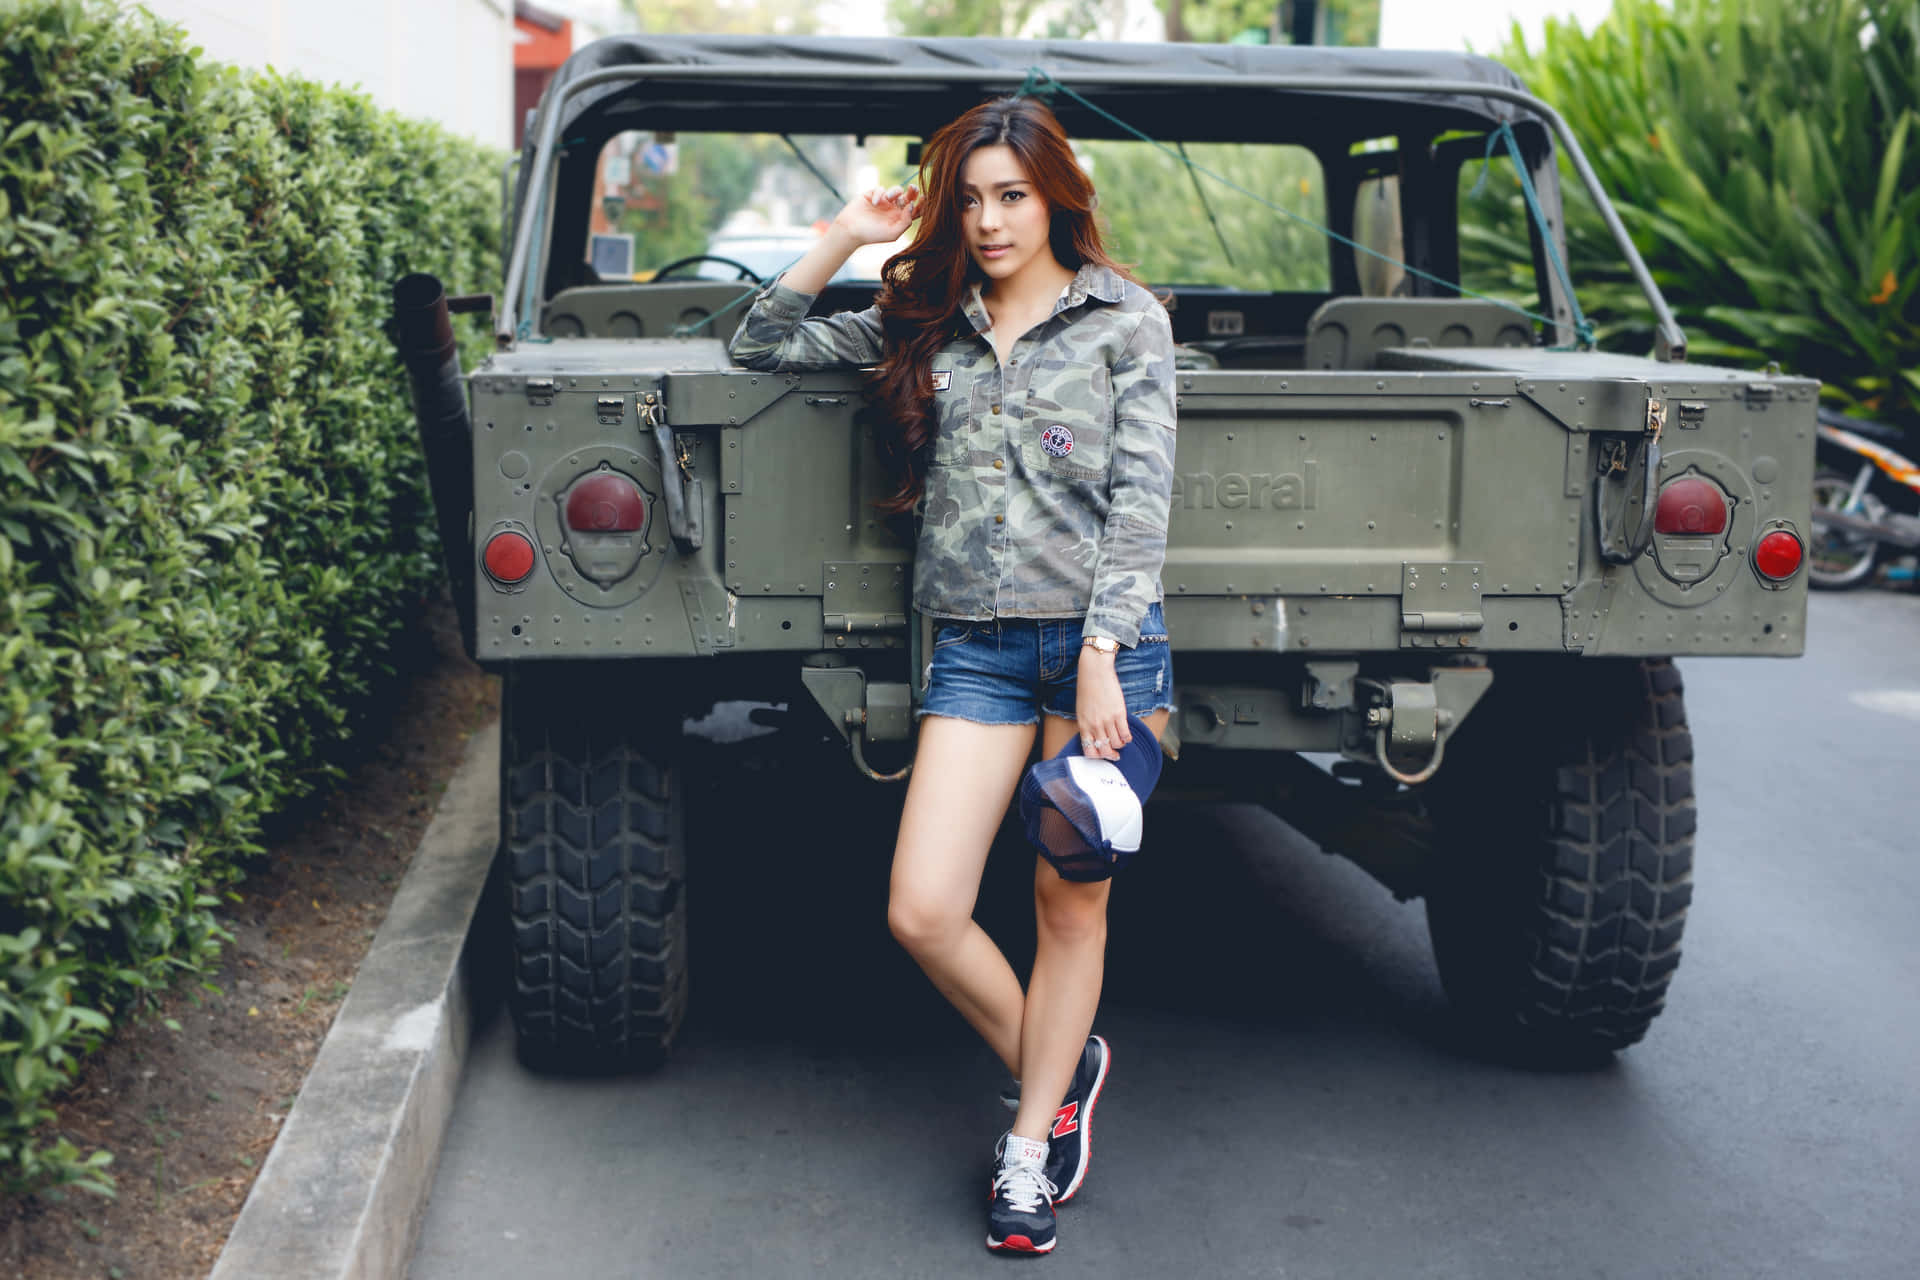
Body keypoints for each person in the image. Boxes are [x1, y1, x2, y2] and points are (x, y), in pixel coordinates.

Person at [728, 95, 1176, 1257]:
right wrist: (845, 235)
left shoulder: (1128, 322)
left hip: (1102, 652)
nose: (988, 220)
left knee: (1065, 905)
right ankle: (1064, 1059)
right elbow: (758, 344)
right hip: (975, 645)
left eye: (1011, 196)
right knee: (924, 907)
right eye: (970, 199)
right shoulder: (920, 317)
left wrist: (1098, 659)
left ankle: (1028, 1149)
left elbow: (1140, 506)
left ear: (1058, 196)